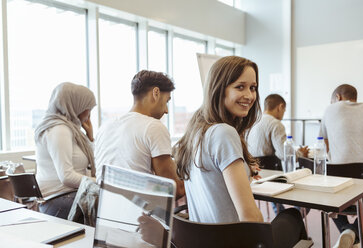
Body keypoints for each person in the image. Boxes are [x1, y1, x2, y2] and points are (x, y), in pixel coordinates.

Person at [173, 56, 307, 247]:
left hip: (204, 240)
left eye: (252, 88)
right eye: (240, 87)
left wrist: (245, 170)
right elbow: (249, 216)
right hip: (234, 241)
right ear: (219, 88)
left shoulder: (196, 130)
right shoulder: (224, 132)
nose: (250, 96)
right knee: (292, 216)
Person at [94, 70, 185, 199]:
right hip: (139, 215)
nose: (166, 110)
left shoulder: (105, 127)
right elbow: (174, 190)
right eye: (167, 101)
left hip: (104, 212)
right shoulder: (153, 127)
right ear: (156, 93)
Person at [321, 84, 363, 247]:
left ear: (338, 98)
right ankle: (353, 233)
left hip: (337, 194)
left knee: (329, 200)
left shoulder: (330, 110)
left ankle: (347, 232)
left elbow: (323, 147)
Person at [35, 82, 96, 219]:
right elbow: (67, 177)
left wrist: (90, 136)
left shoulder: (68, 128)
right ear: (75, 106)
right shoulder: (60, 130)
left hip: (65, 197)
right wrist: (99, 182)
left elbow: (93, 163)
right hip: (60, 200)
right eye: (87, 108)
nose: (89, 114)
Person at [247, 94, 309, 214]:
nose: (283, 113)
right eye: (284, 110)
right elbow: (283, 154)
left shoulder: (252, 122)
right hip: (271, 173)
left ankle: (281, 213)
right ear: (280, 107)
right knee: (304, 187)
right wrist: (301, 154)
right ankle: (291, 217)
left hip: (253, 172)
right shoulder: (276, 124)